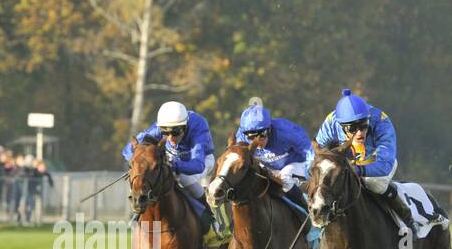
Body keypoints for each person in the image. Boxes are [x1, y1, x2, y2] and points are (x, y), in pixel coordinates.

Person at [308, 88, 414, 230]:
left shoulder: (381, 122)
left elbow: (385, 165)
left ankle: (404, 213)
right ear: (341, 125)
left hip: (375, 162)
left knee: (374, 183)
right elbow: (315, 154)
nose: (359, 133)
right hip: (347, 163)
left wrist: (357, 170)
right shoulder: (331, 122)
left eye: (363, 126)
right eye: (352, 128)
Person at [121, 100, 227, 241]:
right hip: (172, 157)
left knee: (184, 179)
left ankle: (211, 217)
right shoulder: (163, 126)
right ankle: (139, 213)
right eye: (165, 132)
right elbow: (128, 150)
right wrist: (139, 161)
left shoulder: (198, 126)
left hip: (200, 160)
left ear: (184, 127)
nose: (170, 137)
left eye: (175, 132)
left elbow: (197, 165)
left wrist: (175, 165)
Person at [234, 103, 313, 212]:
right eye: (251, 136)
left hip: (299, 163)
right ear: (244, 134)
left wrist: (311, 171)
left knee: (286, 176)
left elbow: (309, 149)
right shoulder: (241, 138)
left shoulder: (285, 131)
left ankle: (309, 211)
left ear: (270, 129)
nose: (258, 140)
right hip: (271, 168)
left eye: (262, 134)